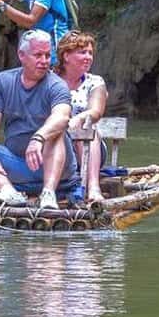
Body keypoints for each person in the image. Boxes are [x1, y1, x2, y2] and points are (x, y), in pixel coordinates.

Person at [0, 29, 75, 209]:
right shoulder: (1, 81)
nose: (44, 61)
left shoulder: (57, 85)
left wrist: (38, 138)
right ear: (22, 55)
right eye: (38, 55)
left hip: (57, 171)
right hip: (18, 166)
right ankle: (8, 191)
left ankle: (48, 193)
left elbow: (62, 117)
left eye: (47, 55)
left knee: (56, 132)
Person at [55, 30, 108, 203]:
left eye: (90, 53)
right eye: (82, 52)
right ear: (66, 56)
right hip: (56, 142)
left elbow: (96, 112)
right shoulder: (49, 80)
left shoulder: (95, 82)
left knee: (86, 126)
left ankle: (93, 187)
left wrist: (76, 119)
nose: (88, 57)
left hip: (88, 145)